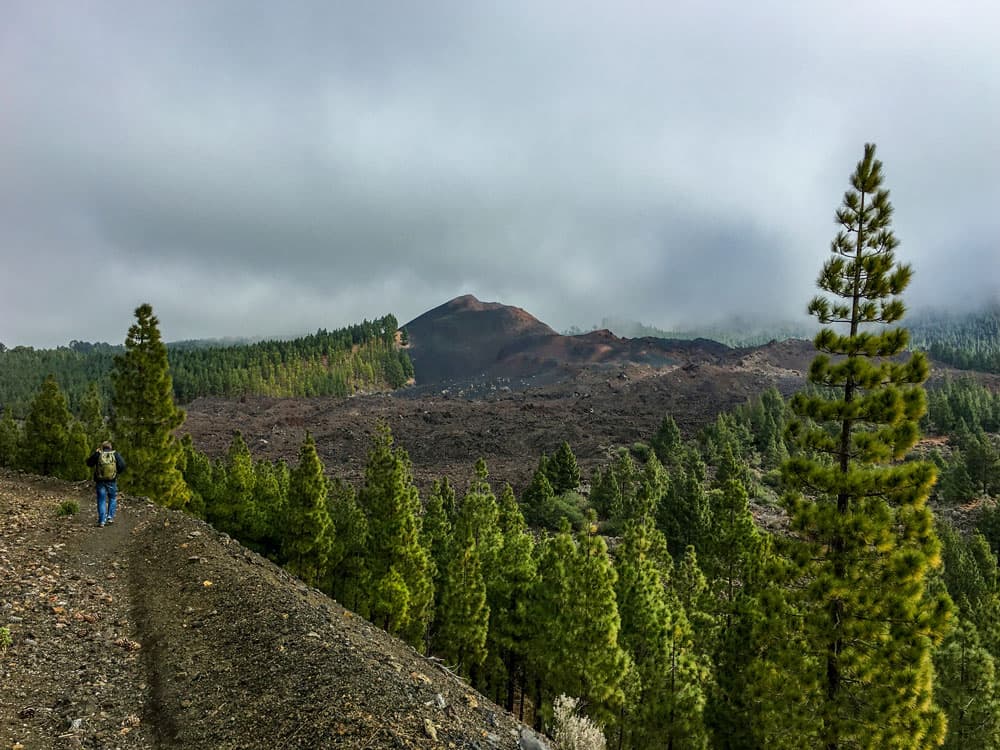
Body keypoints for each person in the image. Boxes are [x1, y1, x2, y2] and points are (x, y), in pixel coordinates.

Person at [85, 440, 126, 527]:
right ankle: (110, 517)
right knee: (112, 498)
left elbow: (89, 463)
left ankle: (102, 521)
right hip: (112, 481)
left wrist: (95, 453)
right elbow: (122, 465)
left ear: (102, 448)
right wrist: (116, 473)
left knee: (101, 500)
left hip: (100, 481)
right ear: (110, 447)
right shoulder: (115, 454)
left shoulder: (98, 454)